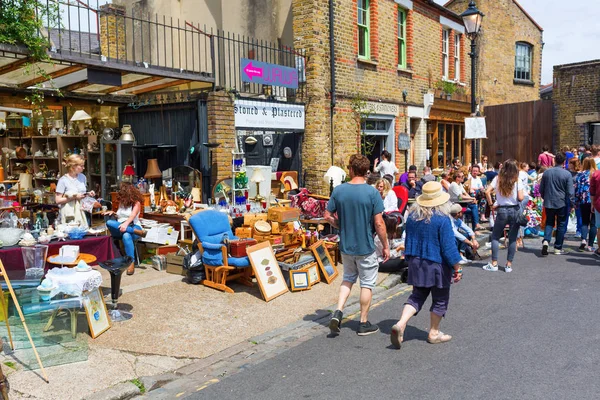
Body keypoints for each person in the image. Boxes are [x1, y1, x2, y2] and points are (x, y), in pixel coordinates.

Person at [389, 181, 462, 349]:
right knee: (440, 299)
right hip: (437, 265)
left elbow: (408, 240)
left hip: (416, 262)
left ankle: (401, 324)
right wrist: (457, 267)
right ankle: (434, 333)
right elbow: (448, 247)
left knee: (417, 296)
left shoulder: (413, 217)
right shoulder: (442, 220)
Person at [325, 154, 389, 336]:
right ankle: (363, 323)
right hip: (365, 245)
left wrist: (340, 225)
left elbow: (327, 216)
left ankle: (338, 311)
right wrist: (385, 246)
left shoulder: (339, 191)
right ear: (366, 171)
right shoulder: (372, 193)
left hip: (346, 245)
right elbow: (379, 224)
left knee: (348, 278)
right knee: (367, 284)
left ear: (351, 169)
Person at [483, 160, 526, 272]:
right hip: (514, 210)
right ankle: (508, 265)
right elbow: (521, 198)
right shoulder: (517, 180)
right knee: (512, 238)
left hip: (502, 210)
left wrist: (491, 204)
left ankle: (494, 263)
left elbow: (487, 192)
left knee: (495, 236)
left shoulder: (497, 179)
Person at [103, 183, 146, 275]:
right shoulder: (122, 203)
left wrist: (125, 224)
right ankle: (136, 232)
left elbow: (132, 215)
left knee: (126, 236)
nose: (120, 196)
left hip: (133, 224)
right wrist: (113, 213)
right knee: (109, 222)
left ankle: (131, 262)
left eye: (122, 194)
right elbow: (120, 216)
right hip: (122, 227)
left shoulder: (136, 203)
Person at [539, 152, 574, 256]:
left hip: (549, 201)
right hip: (562, 202)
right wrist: (572, 204)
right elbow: (570, 192)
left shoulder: (547, 173)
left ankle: (546, 240)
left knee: (549, 222)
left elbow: (541, 189)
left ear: (554, 161)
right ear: (564, 162)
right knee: (561, 224)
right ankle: (558, 247)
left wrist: (545, 197)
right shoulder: (567, 174)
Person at [55, 154, 94, 228]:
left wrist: (88, 194)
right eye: (81, 166)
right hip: (70, 214)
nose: (83, 168)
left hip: (83, 211)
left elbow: (82, 193)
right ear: (73, 166)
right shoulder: (63, 181)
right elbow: (58, 200)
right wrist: (74, 197)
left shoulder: (82, 177)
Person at [575, 158, 597, 252]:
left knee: (584, 221)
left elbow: (577, 189)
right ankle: (590, 245)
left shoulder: (580, 174)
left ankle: (583, 239)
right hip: (595, 200)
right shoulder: (596, 174)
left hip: (583, 200)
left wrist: (576, 201)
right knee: (593, 223)